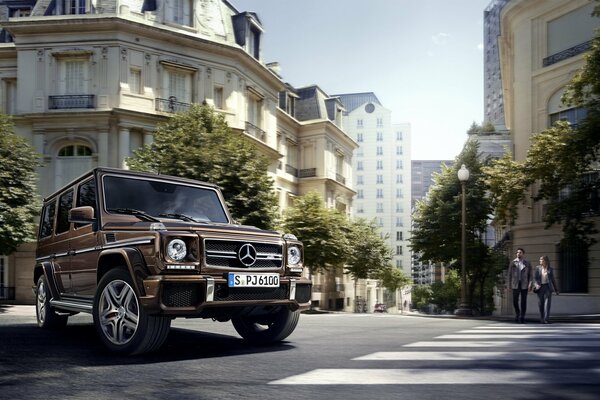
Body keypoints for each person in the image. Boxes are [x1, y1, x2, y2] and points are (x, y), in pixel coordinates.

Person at [531, 255, 559, 324]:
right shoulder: (538, 268)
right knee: (541, 304)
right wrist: (536, 284)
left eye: (541, 260)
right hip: (540, 288)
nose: (540, 261)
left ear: (545, 261)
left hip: (548, 287)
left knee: (547, 304)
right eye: (540, 259)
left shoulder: (550, 269)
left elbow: (553, 280)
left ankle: (546, 319)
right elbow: (535, 278)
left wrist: (556, 289)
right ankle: (542, 318)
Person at [507, 248, 532, 323]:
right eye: (517, 252)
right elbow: (509, 275)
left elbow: (530, 275)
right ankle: (518, 313)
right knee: (515, 301)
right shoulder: (513, 263)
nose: (518, 253)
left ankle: (522, 316)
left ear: (523, 254)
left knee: (523, 301)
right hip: (515, 284)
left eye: (520, 252)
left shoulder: (527, 263)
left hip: (524, 284)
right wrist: (509, 285)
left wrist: (530, 284)